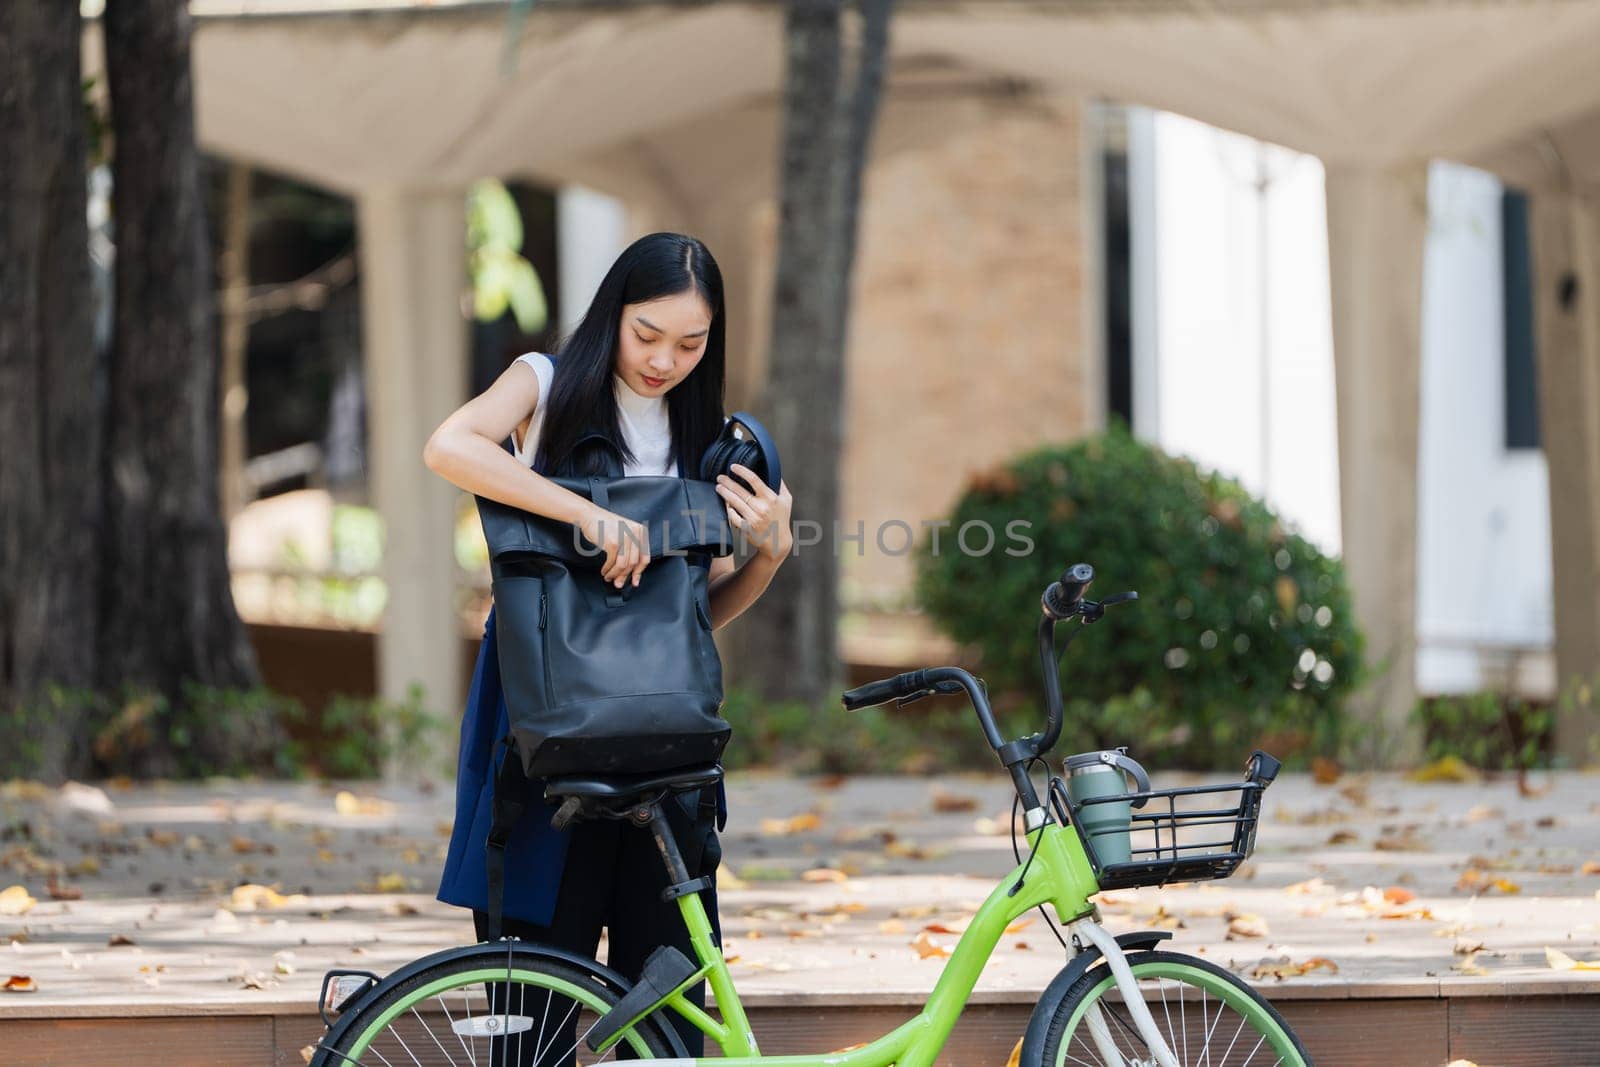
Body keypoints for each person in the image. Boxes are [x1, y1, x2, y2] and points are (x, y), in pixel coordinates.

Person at [423, 232, 792, 1061]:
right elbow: (449, 446)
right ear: (612, 314)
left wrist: (771, 549)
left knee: (665, 998)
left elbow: (699, 614)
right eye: (647, 334)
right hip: (543, 722)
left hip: (662, 733)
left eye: (690, 343)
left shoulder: (713, 440)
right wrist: (580, 512)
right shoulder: (545, 384)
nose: (665, 360)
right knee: (535, 989)